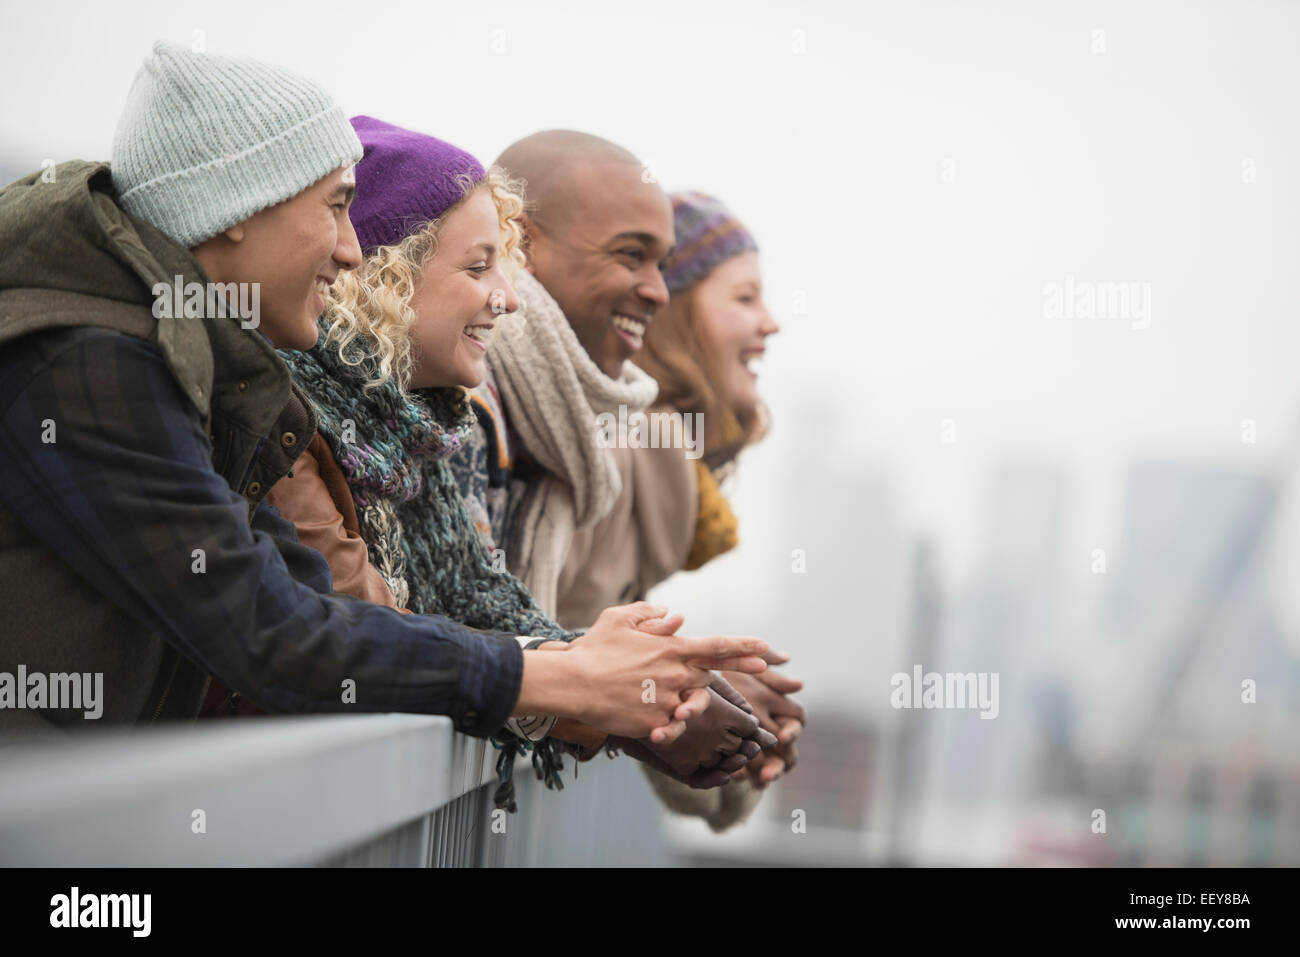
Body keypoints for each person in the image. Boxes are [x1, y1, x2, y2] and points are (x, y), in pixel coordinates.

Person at [0, 43, 768, 749]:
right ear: (236, 210)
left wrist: (584, 675)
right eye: (335, 203)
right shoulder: (89, 363)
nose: (350, 246)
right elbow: (273, 633)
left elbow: (311, 610)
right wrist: (563, 677)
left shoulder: (201, 366)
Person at [263, 117, 772, 795]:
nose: (506, 293)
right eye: (480, 265)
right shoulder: (293, 412)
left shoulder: (420, 428)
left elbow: (467, 609)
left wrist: (635, 693)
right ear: (388, 273)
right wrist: (597, 687)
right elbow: (368, 635)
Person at [447, 133, 800, 828]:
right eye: (744, 295)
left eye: (664, 264)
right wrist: (670, 695)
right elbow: (516, 637)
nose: (770, 322)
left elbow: (575, 654)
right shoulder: (587, 440)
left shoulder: (617, 448)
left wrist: (701, 700)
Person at [559, 192, 805, 827]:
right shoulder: (620, 448)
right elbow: (556, 658)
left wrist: (721, 711)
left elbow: (585, 669)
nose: (771, 324)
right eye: (744, 297)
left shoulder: (658, 462)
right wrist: (689, 689)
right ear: (673, 310)